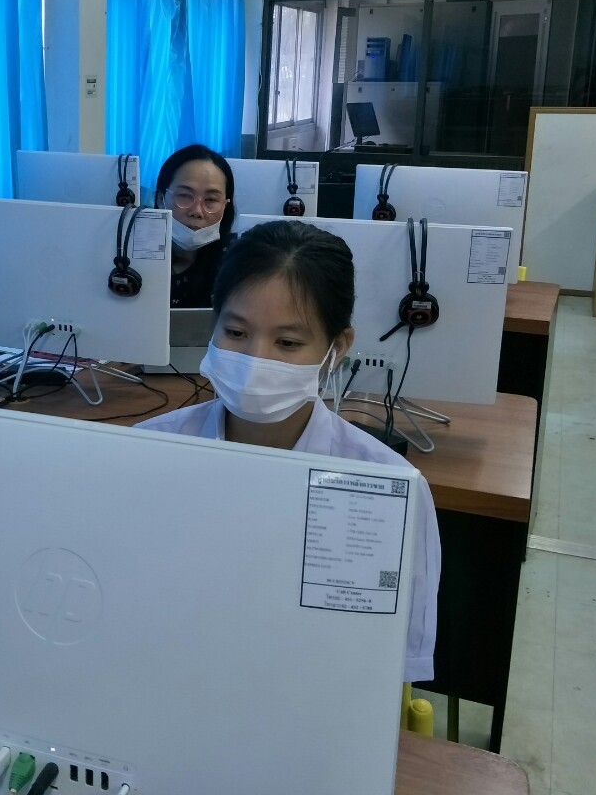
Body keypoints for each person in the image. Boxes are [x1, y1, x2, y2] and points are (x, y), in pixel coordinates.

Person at [135, 219, 440, 682]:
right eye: (236, 332)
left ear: (338, 347)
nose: (255, 360)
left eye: (287, 343)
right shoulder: (147, 452)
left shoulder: (385, 487)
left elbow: (393, 663)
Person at [154, 144, 236, 308]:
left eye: (211, 200)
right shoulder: (129, 260)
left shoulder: (237, 262)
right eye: (185, 196)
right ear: (160, 200)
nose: (197, 211)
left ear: (225, 206)